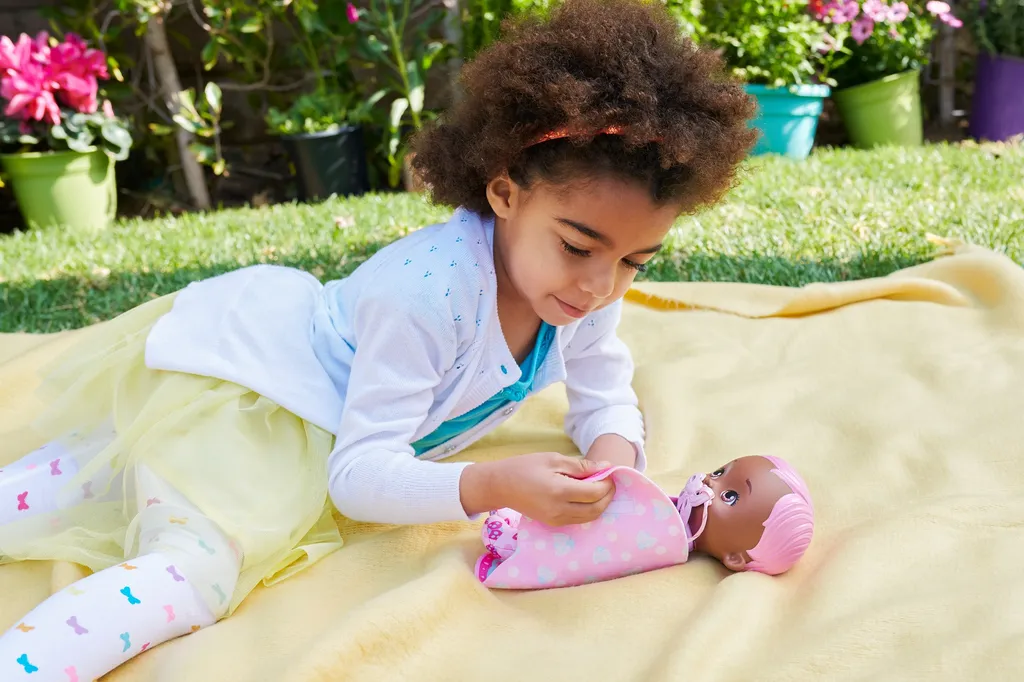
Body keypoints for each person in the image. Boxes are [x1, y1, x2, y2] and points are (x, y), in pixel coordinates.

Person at [0, 0, 758, 678]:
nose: (601, 285)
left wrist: (613, 468)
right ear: (504, 193)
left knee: (77, 487)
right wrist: (490, 485)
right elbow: (358, 474)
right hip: (257, 412)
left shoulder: (583, 293)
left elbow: (606, 393)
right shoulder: (427, 297)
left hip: (262, 409)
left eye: (634, 261)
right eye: (578, 245)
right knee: (194, 576)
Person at [475, 456, 815, 589]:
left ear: (736, 558)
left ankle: (522, 543)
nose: (712, 482)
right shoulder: (670, 509)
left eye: (730, 497)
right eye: (721, 472)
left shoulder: (666, 542)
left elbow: (606, 547)